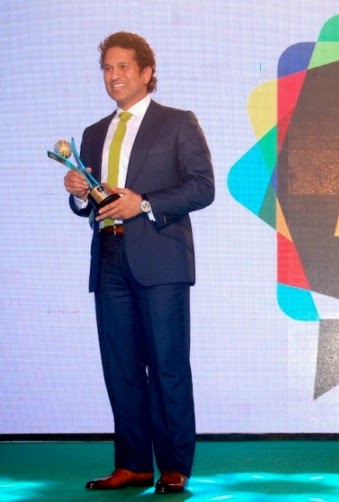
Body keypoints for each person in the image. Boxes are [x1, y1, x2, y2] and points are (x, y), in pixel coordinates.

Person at [64, 31, 214, 494]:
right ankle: (132, 465)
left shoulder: (178, 122)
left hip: (161, 260)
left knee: (167, 366)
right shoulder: (94, 133)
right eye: (107, 68)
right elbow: (93, 204)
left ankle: (174, 466)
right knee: (121, 368)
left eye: (123, 66)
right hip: (109, 258)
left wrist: (143, 203)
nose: (114, 75)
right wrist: (78, 193)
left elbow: (202, 187)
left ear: (147, 72)